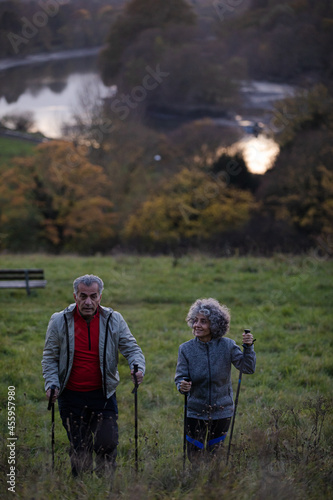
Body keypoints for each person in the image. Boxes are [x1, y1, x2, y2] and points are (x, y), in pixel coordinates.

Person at [42, 274, 145, 477]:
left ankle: (107, 485)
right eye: (83, 296)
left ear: (100, 297)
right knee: (80, 446)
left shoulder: (114, 320)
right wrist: (51, 383)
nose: (88, 302)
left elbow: (132, 348)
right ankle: (80, 486)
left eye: (93, 296)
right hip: (70, 395)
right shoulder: (59, 320)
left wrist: (138, 367)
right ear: (75, 297)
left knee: (107, 442)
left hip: (103, 394)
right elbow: (50, 356)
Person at [175, 298, 256, 463]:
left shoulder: (227, 346)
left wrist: (248, 347)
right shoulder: (186, 349)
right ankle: (195, 484)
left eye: (203, 322)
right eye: (195, 320)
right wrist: (182, 385)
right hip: (195, 410)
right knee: (194, 457)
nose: (197, 325)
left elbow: (247, 368)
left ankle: (214, 485)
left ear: (215, 325)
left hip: (222, 410)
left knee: (215, 457)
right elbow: (180, 376)